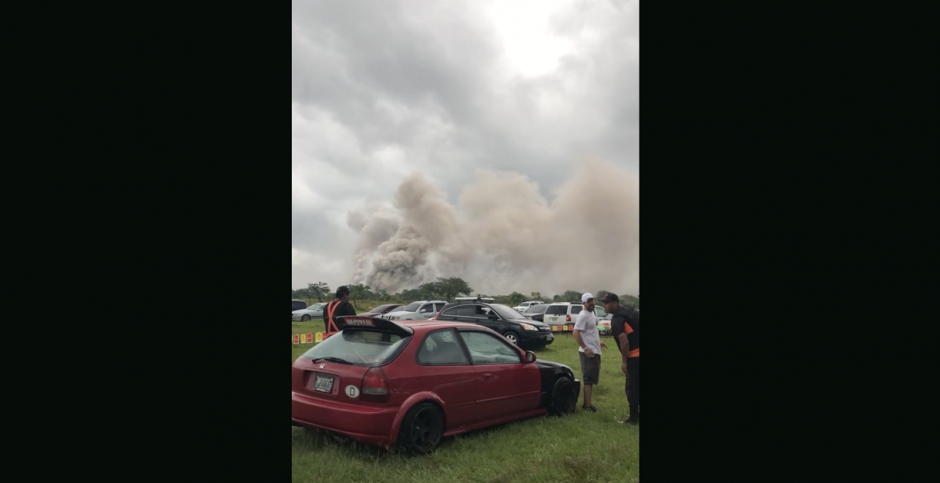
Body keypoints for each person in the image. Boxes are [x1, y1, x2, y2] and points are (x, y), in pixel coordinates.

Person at [599, 292, 639, 425]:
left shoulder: (617, 318)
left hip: (634, 357)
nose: (603, 305)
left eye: (606, 303)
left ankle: (633, 419)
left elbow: (624, 341)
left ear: (615, 303)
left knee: (631, 388)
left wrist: (624, 361)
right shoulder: (631, 310)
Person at [573, 293, 608, 413]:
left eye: (592, 300)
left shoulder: (591, 313)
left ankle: (588, 404)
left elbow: (591, 332)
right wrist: (585, 348)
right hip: (588, 352)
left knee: (592, 378)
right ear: (583, 303)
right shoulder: (583, 315)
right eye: (588, 301)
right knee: (588, 379)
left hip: (595, 350)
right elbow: (576, 333)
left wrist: (599, 342)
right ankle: (587, 406)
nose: (591, 302)